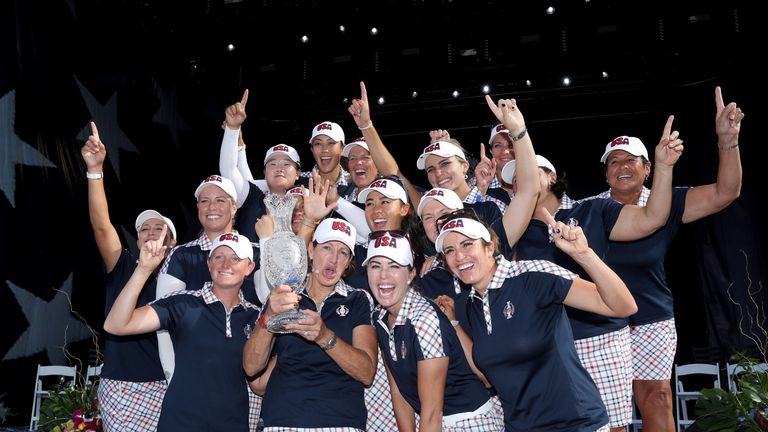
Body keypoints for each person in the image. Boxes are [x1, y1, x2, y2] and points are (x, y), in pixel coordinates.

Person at [511, 114, 683, 432]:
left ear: (550, 177)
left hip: (599, 338)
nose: (521, 181)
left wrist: (664, 167)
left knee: (612, 426)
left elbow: (653, 217)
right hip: (547, 345)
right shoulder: (510, 232)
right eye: (515, 179)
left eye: (529, 173)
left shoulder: (591, 210)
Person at [586, 86, 744, 432]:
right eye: (614, 161)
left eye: (630, 160)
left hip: (651, 318)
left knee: (655, 397)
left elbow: (725, 192)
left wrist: (727, 141)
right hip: (600, 321)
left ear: (647, 168)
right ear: (605, 173)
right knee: (607, 411)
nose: (622, 166)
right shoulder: (589, 209)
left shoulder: (666, 201)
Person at [434, 211, 637, 432]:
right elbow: (487, 378)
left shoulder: (532, 274)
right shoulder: (471, 304)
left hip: (576, 424)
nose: (459, 256)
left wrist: (584, 254)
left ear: (489, 247)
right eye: (450, 251)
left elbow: (623, 306)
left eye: (467, 244)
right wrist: (453, 324)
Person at [104, 229, 260, 431]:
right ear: (209, 264)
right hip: (180, 424)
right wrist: (143, 270)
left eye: (235, 258)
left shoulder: (256, 317)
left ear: (249, 268)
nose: (225, 264)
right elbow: (116, 324)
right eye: (218, 256)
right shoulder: (183, 303)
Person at [81, 121, 176, 431]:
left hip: (172, 386)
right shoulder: (123, 266)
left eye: (158, 228)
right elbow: (101, 226)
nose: (149, 232)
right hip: (123, 387)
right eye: (143, 230)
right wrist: (95, 171)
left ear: (172, 241)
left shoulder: (185, 276)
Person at [243, 217, 377, 431]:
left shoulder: (357, 300)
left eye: (343, 252)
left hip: (340, 422)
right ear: (311, 250)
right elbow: (251, 367)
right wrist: (268, 315)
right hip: (282, 421)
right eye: (327, 248)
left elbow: (367, 372)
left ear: (349, 261)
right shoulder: (285, 295)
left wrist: (324, 337)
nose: (333, 259)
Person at [365, 231, 504, 431]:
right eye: (375, 266)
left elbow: (432, 412)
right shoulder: (380, 317)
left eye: (394, 266)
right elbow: (398, 388)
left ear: (411, 275)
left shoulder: (424, 320)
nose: (383, 276)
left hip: (469, 422)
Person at [219, 89, 301, 242]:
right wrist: (232, 129)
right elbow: (228, 170)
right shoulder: (252, 197)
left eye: (286, 163)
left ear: (298, 173)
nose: (279, 168)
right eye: (273, 163)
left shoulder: (307, 203)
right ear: (264, 172)